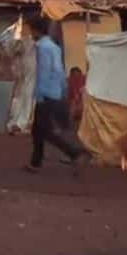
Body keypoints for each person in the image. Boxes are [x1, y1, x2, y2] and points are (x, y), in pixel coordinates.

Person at [24, 17, 90, 173]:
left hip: (45, 94)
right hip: (54, 93)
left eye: (30, 29)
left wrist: (39, 95)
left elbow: (43, 73)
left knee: (44, 130)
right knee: (37, 130)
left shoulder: (42, 48)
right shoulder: (54, 47)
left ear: (36, 30)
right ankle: (35, 162)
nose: (29, 33)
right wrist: (62, 90)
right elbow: (60, 71)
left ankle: (75, 153)